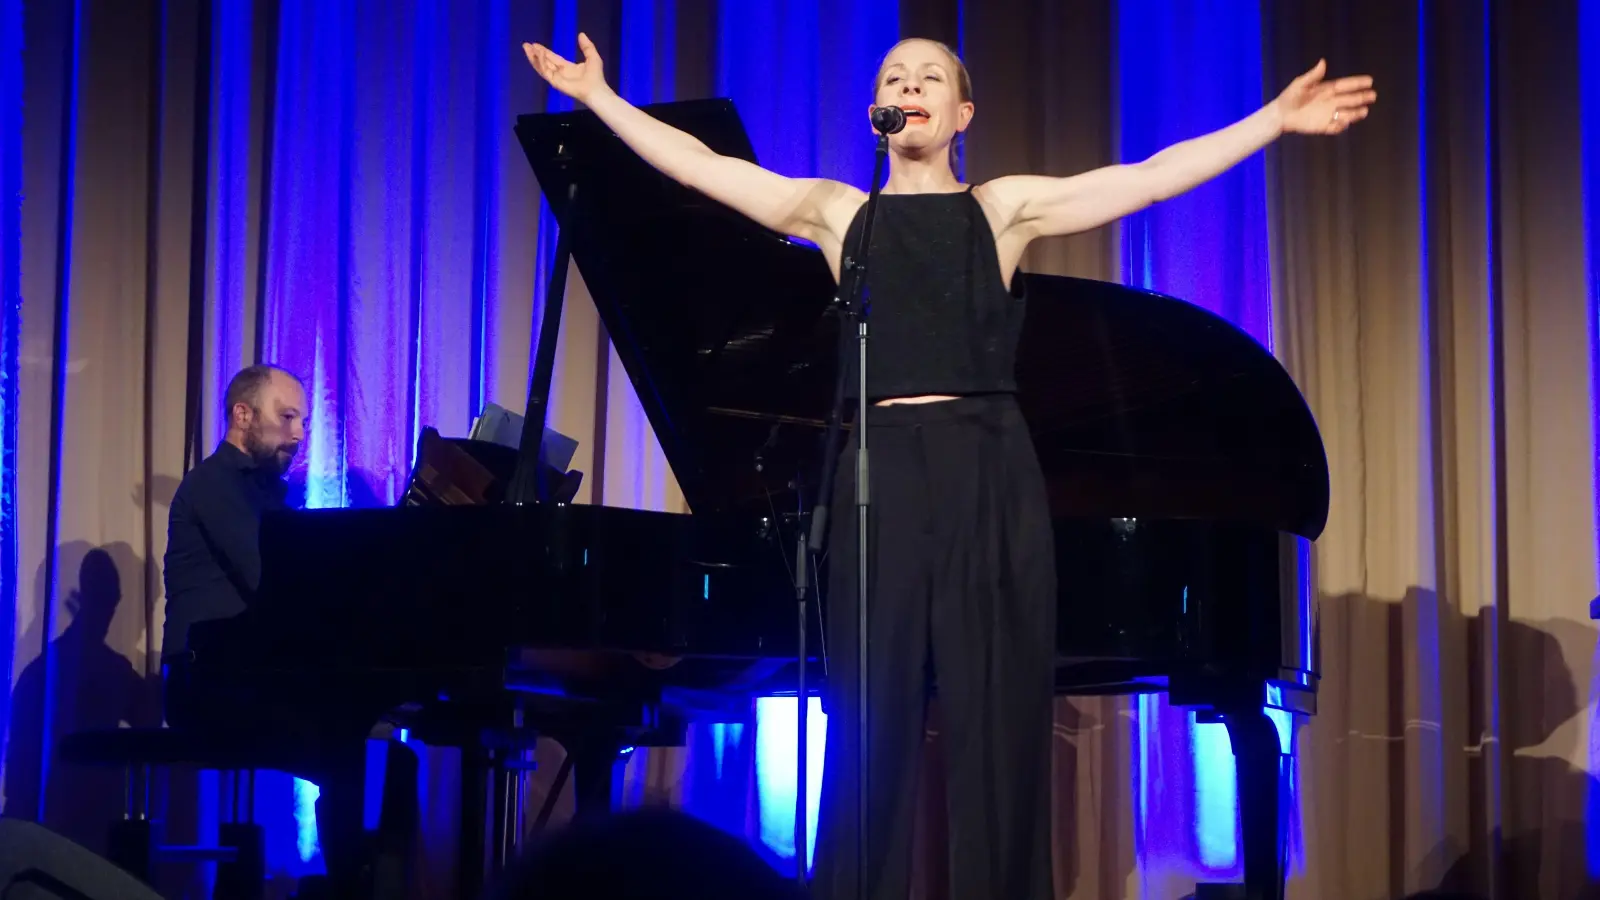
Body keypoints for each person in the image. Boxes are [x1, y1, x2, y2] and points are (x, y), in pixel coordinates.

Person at [522, 34, 1374, 900]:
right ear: (878, 111)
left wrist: (1272, 120)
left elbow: (1148, 177)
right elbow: (703, 168)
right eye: (895, 75)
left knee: (998, 720)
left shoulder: (1000, 210)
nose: (911, 84)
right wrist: (600, 99)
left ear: (962, 114)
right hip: (878, 470)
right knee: (869, 722)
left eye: (931, 76)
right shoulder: (838, 214)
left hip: (987, 467)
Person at [162, 364, 415, 900]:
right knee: (355, 742)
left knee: (384, 752)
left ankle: (367, 882)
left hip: (250, 677)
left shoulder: (267, 495)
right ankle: (352, 886)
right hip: (204, 687)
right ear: (242, 415)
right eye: (288, 417)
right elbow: (271, 582)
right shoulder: (213, 483)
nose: (300, 433)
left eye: (303, 421)